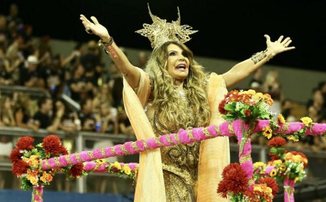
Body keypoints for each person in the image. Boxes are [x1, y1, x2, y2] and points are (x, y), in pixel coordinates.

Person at [80, 6, 294, 202]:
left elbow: (234, 73)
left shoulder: (202, 88)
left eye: (184, 54)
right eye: (173, 53)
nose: (182, 57)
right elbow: (127, 69)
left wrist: (268, 53)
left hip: (199, 177)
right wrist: (108, 41)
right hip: (167, 175)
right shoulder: (153, 87)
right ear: (161, 62)